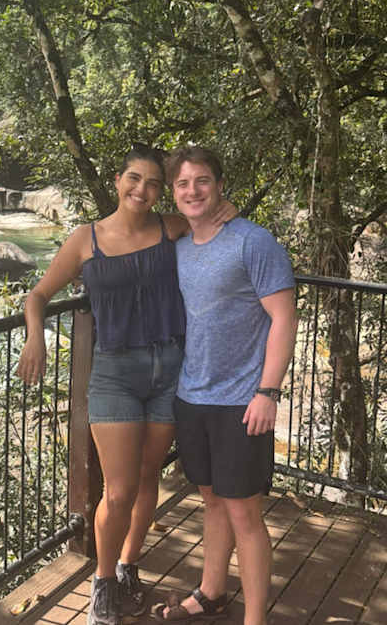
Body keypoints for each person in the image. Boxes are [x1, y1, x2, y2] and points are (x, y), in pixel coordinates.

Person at [16, 146, 236, 625]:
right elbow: (39, 294)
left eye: (153, 183)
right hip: (115, 372)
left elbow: (214, 216)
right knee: (117, 491)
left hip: (170, 368)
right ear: (117, 180)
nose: (142, 189)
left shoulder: (170, 228)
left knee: (147, 475)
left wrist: (227, 207)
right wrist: (35, 337)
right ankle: (102, 585)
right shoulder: (86, 239)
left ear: (161, 192)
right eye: (134, 178)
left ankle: (128, 565)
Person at [152, 146, 297, 625]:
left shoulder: (253, 242)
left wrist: (268, 392)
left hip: (242, 402)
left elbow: (284, 318)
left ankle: (255, 619)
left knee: (244, 516)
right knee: (212, 501)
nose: (193, 190)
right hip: (191, 395)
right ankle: (211, 593)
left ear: (219, 185)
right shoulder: (178, 245)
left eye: (202, 181)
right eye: (183, 183)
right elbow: (140, 228)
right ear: (173, 193)